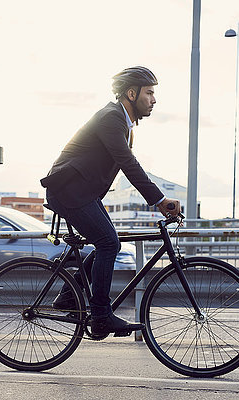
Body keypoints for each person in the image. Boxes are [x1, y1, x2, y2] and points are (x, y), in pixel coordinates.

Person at [40, 66, 181, 336]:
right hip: (69, 191)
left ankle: (68, 297)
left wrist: (157, 199)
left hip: (81, 193)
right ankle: (101, 315)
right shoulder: (110, 118)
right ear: (131, 93)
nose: (154, 99)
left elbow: (126, 164)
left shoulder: (122, 123)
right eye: (149, 93)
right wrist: (160, 200)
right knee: (108, 243)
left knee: (108, 242)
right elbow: (127, 163)